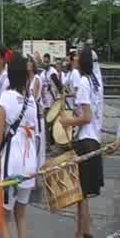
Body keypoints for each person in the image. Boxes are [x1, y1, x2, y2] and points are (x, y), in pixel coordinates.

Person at [0, 52, 37, 238]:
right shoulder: (31, 99)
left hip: (13, 164)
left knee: (3, 216)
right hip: (30, 163)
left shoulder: (7, 97)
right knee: (21, 215)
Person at [60, 45, 104, 238]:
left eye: (76, 56)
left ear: (83, 60)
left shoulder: (85, 82)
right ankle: (84, 231)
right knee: (83, 195)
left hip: (85, 140)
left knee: (81, 195)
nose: (73, 58)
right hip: (94, 139)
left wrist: (67, 121)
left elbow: (86, 117)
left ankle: (82, 233)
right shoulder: (94, 82)